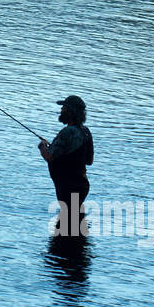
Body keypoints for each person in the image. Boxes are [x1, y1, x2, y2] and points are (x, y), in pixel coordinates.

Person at [38, 95, 93, 236]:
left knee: (66, 229)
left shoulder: (68, 132)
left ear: (70, 112)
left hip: (68, 187)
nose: (61, 110)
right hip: (82, 186)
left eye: (64, 108)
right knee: (76, 225)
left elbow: (49, 156)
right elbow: (89, 160)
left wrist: (42, 146)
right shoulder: (86, 132)